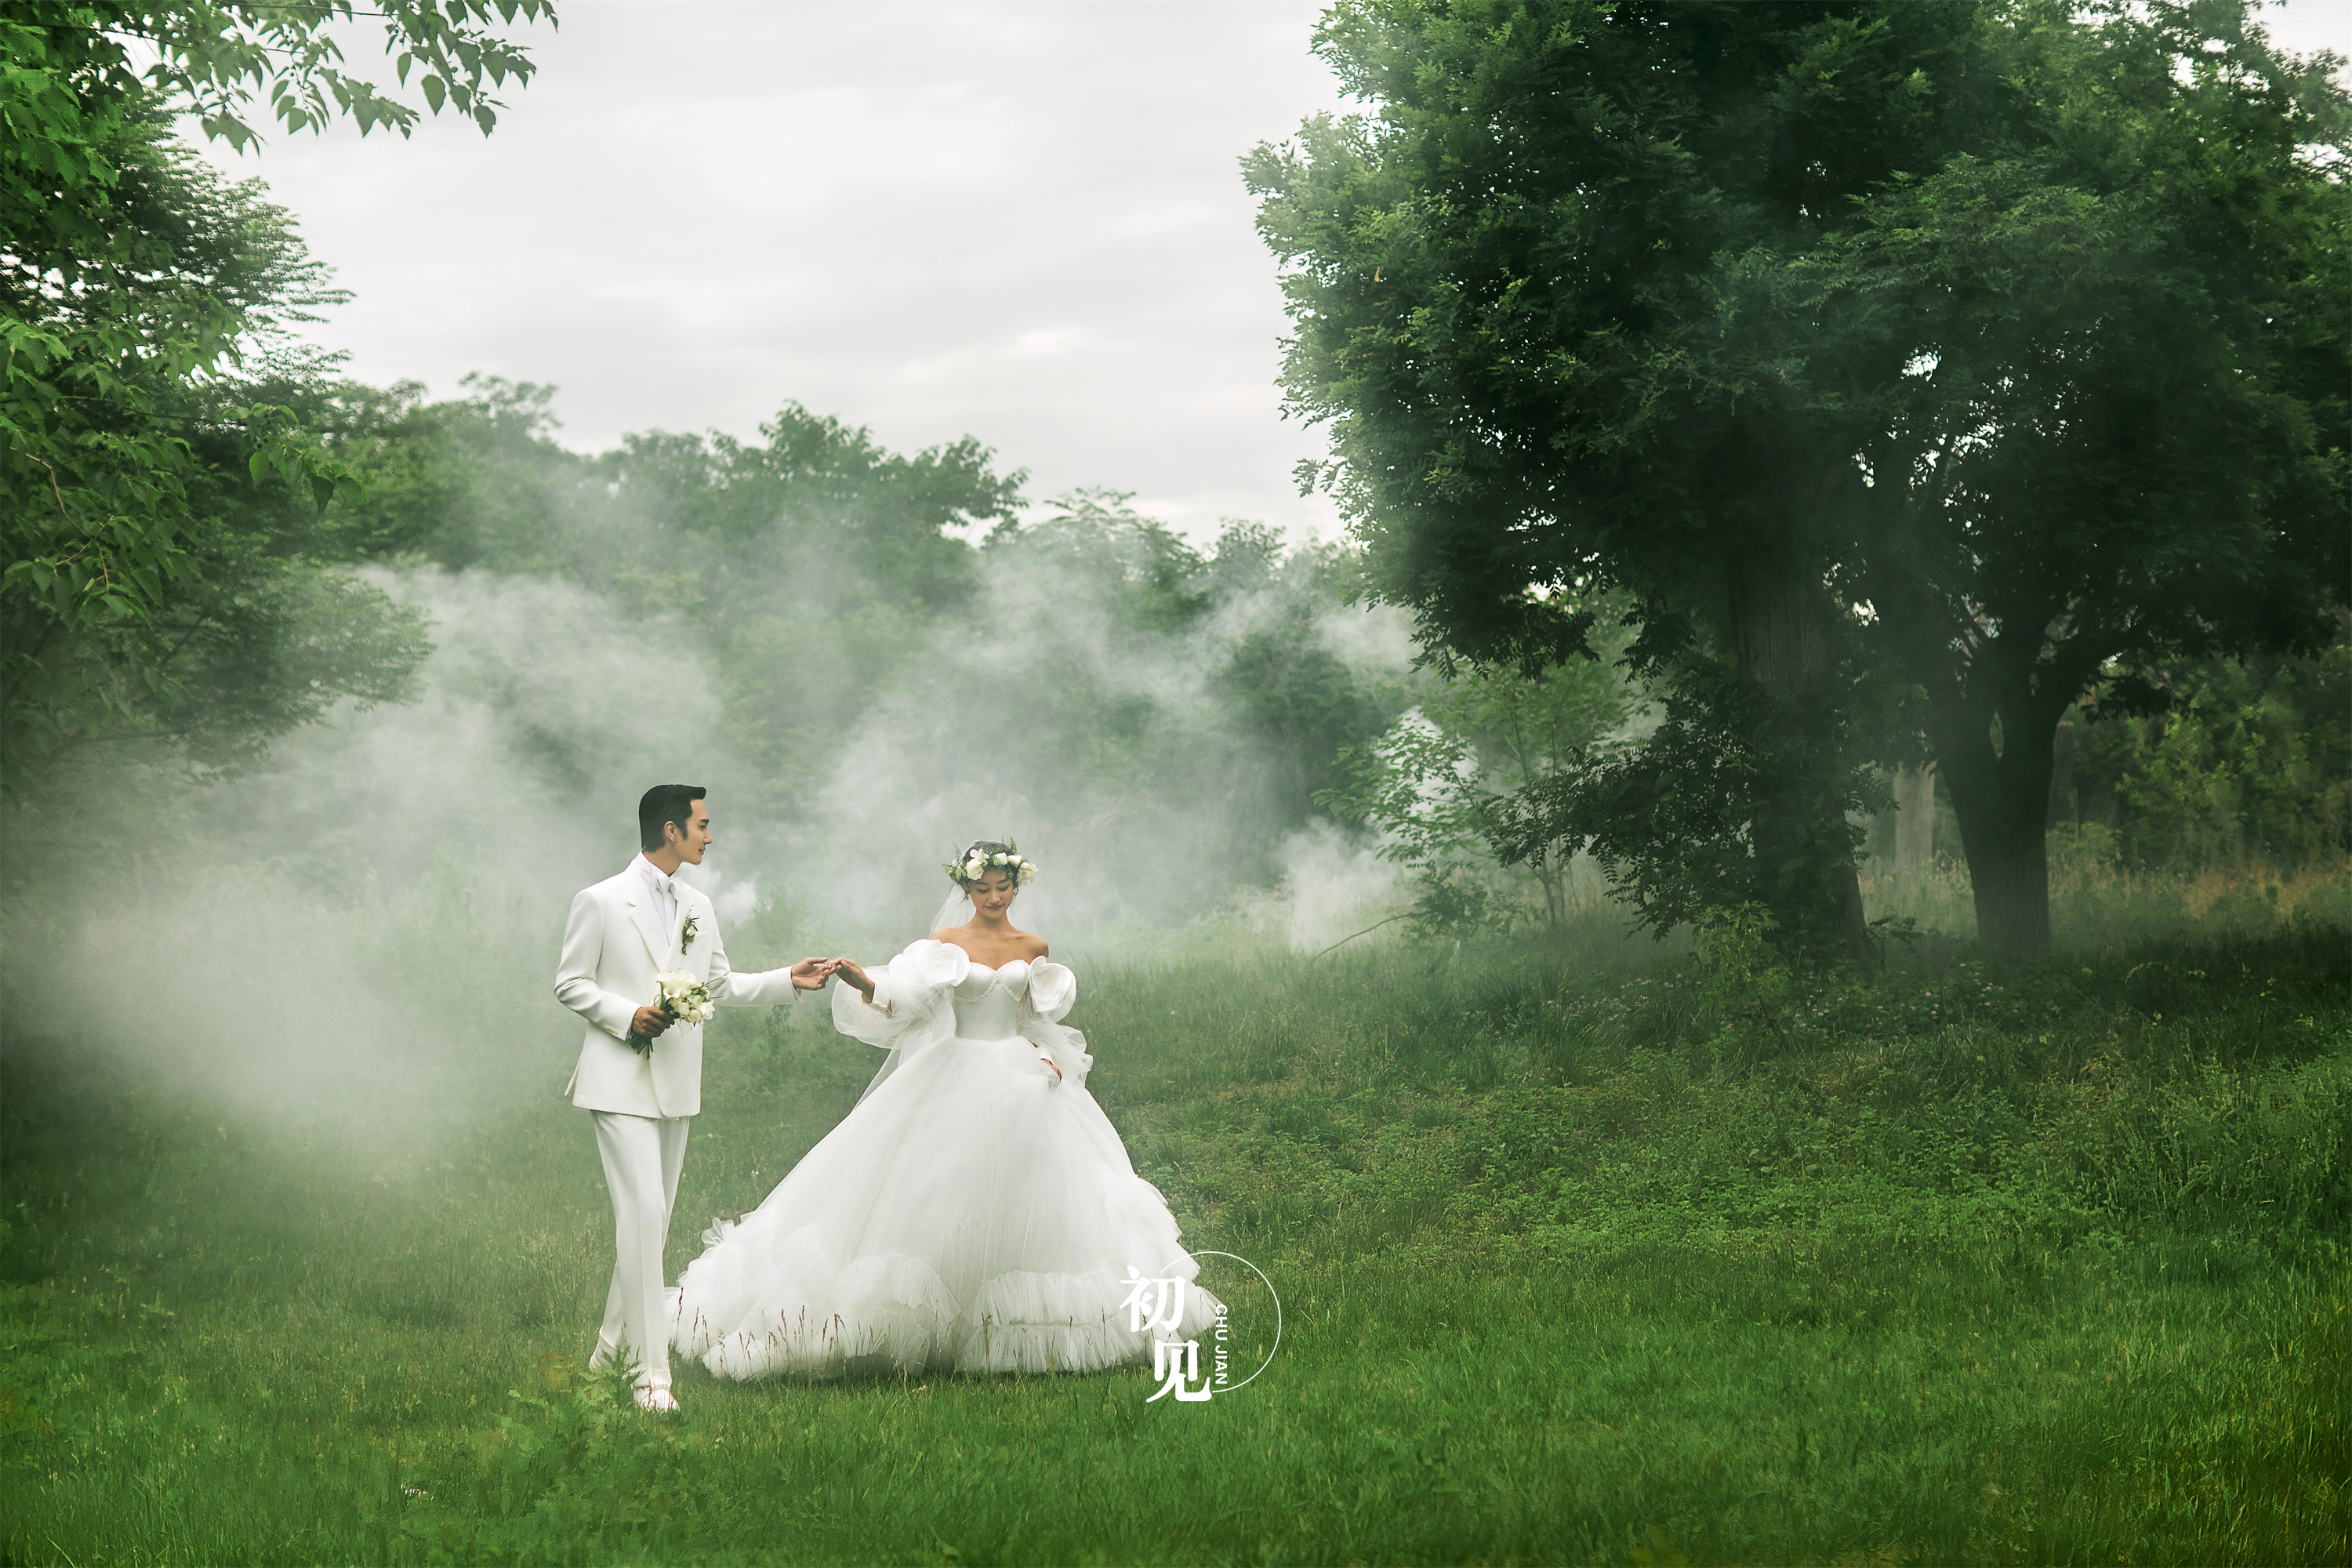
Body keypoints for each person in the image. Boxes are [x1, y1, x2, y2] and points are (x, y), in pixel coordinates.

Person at [670, 838, 1219, 1379]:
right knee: (939, 1193)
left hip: (1023, 1079)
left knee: (1043, 1196)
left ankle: (1027, 1327)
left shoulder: (1033, 946)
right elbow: (911, 1003)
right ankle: (923, 1323)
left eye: (1004, 887)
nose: (995, 897)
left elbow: (1036, 1021)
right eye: (984, 888)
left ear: (1016, 886)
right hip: (958, 1071)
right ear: (966, 888)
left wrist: (1049, 1057)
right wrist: (861, 979)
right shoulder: (946, 944)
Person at [554, 783, 834, 1410]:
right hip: (617, 1078)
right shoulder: (599, 900)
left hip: (676, 1085)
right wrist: (627, 1015)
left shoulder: (699, 905)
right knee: (645, 1216)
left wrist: (787, 979)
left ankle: (605, 1355)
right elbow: (569, 982)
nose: (710, 835)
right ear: (671, 830)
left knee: (648, 1230)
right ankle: (651, 1380)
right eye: (703, 825)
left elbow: (719, 984)